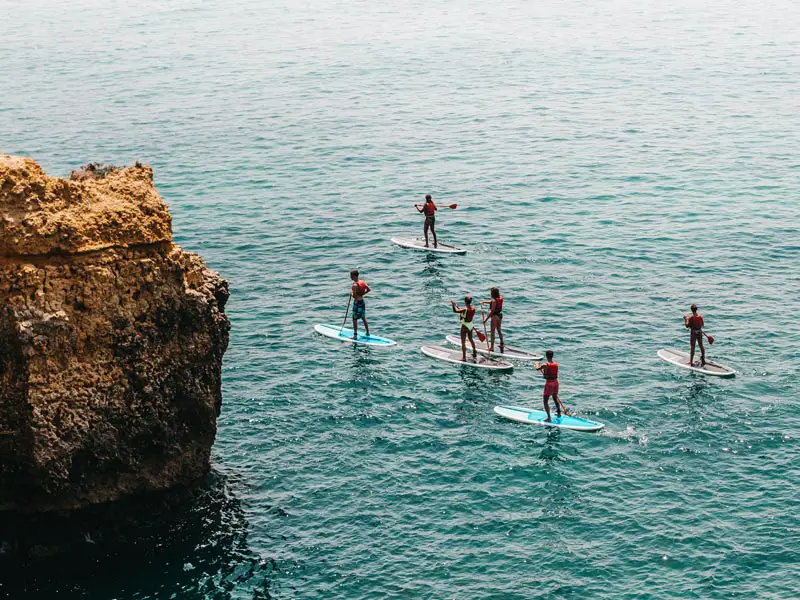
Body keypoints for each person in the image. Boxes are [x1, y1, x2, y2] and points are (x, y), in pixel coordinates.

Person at [535, 350, 568, 421]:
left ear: (546, 356)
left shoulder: (545, 365)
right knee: (555, 398)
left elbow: (537, 368)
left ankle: (549, 417)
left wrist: (536, 363)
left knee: (545, 401)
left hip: (549, 384)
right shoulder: (556, 364)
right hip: (556, 383)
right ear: (552, 356)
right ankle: (559, 412)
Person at [450, 296, 477, 361]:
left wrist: (453, 305)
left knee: (463, 342)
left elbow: (455, 311)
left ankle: (464, 358)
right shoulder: (473, 309)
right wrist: (458, 307)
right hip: (470, 325)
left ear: (465, 302)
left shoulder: (464, 309)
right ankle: (474, 352)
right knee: (471, 339)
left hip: (465, 326)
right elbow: (465, 312)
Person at [481, 287, 504, 352]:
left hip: (494, 317)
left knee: (492, 332)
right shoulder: (500, 298)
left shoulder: (494, 300)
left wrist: (486, 319)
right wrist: (484, 302)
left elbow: (492, 311)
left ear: (493, 293)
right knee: (499, 330)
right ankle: (502, 343)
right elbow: (492, 302)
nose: (490, 293)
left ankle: (492, 347)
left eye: (491, 292)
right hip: (499, 316)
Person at [350, 269, 371, 339]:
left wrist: (351, 293)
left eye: (351, 276)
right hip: (362, 301)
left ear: (354, 276)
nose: (350, 277)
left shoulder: (355, 285)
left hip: (357, 303)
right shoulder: (362, 282)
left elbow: (354, 296)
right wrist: (362, 294)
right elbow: (368, 289)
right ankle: (367, 332)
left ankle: (355, 335)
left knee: (354, 319)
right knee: (363, 318)